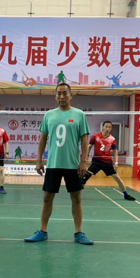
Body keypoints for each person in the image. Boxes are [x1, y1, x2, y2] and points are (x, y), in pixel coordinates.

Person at [24, 83, 92, 245]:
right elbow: (43, 139)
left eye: (65, 93)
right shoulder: (49, 115)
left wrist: (83, 161)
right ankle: (42, 231)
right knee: (47, 197)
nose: (62, 97)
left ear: (71, 95)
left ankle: (78, 232)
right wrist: (39, 160)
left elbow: (84, 139)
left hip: (73, 164)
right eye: (59, 94)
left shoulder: (79, 115)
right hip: (53, 163)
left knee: (76, 197)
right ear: (55, 96)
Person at [81, 121, 135, 201]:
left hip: (107, 163)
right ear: (103, 127)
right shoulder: (95, 136)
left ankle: (126, 195)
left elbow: (115, 151)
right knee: (85, 177)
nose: (107, 128)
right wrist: (86, 157)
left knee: (117, 178)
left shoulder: (112, 139)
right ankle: (77, 193)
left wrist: (116, 162)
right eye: (106, 126)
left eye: (109, 127)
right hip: (96, 162)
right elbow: (89, 146)